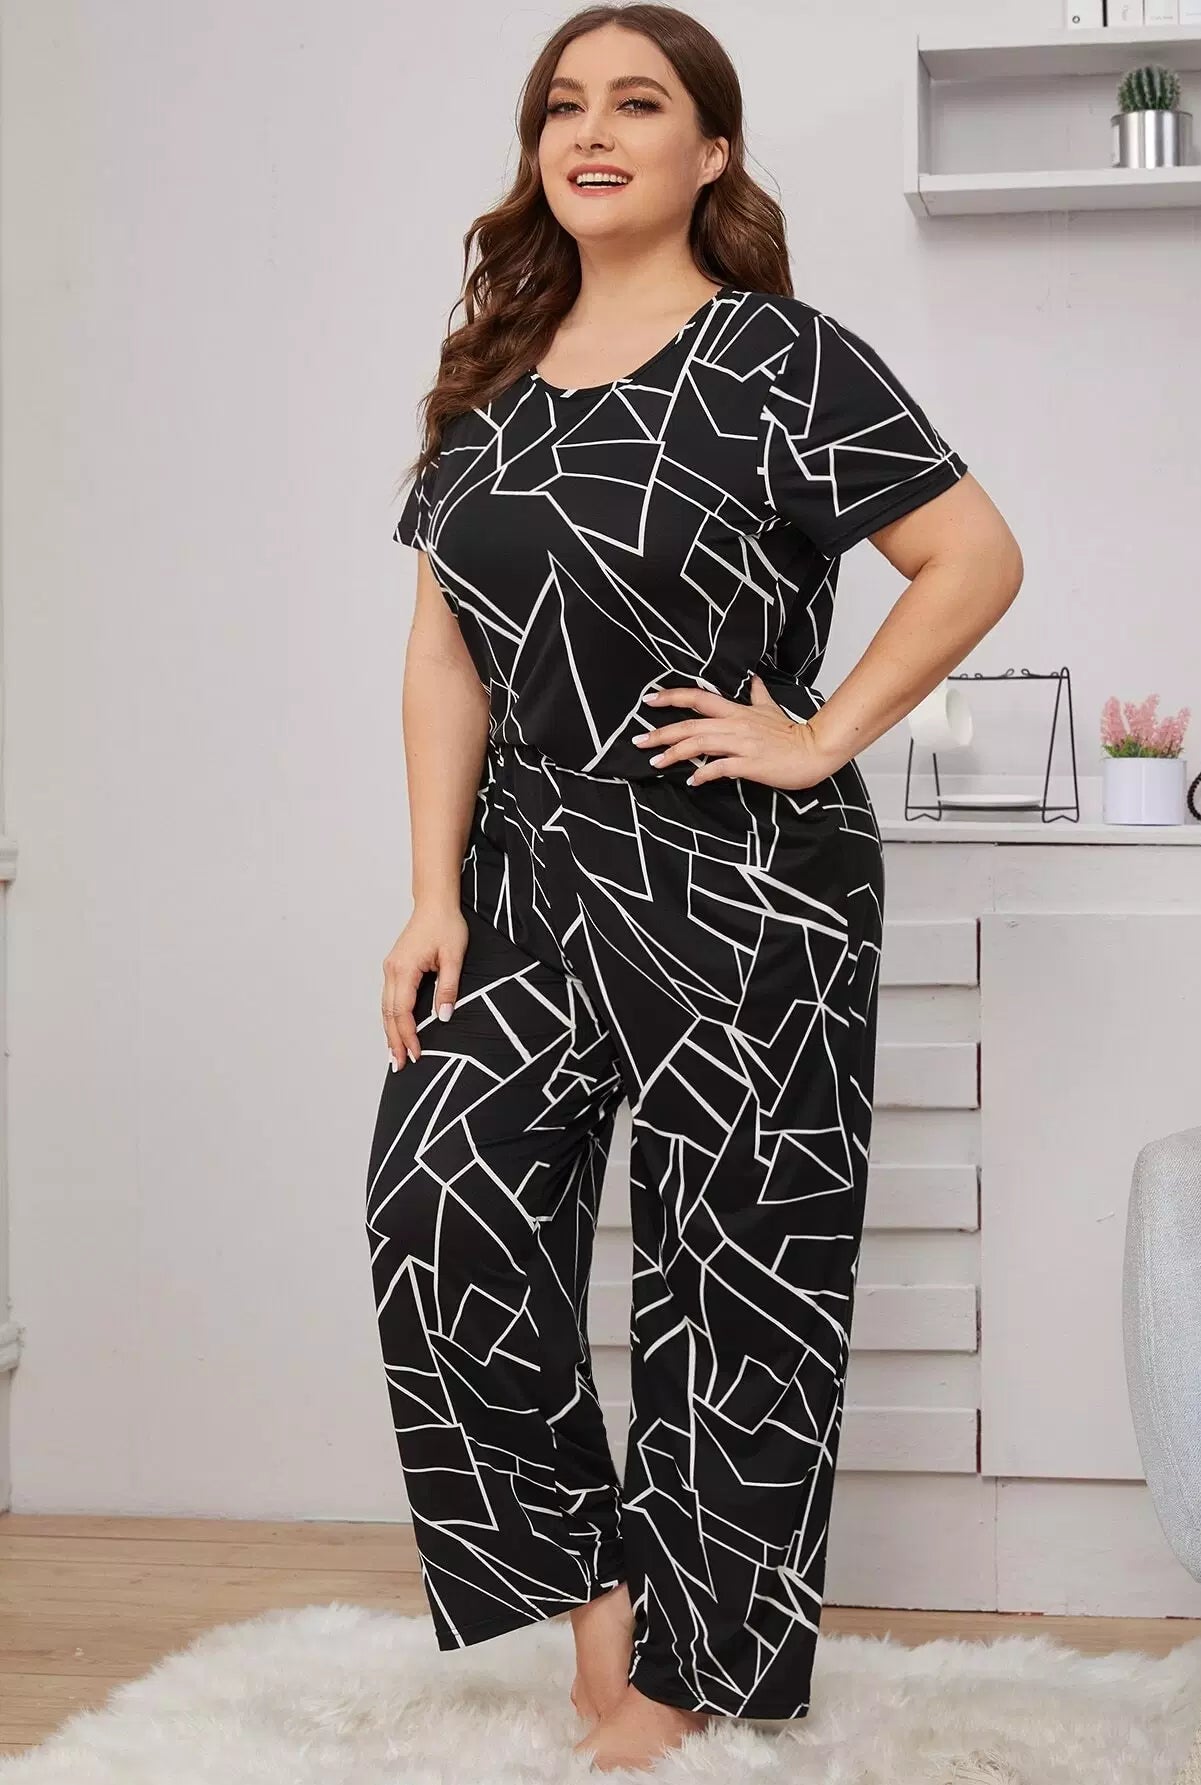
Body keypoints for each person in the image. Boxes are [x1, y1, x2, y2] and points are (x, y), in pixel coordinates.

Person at [364, 2, 1022, 1772]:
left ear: (709, 150)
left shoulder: (782, 358)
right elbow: (444, 652)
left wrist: (818, 735)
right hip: (523, 869)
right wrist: (431, 892)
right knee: (439, 1213)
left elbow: (973, 553)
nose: (592, 130)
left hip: (748, 871)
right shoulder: (490, 379)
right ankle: (607, 1605)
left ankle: (686, 1676)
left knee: (737, 1277)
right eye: (562, 105)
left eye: (638, 102)